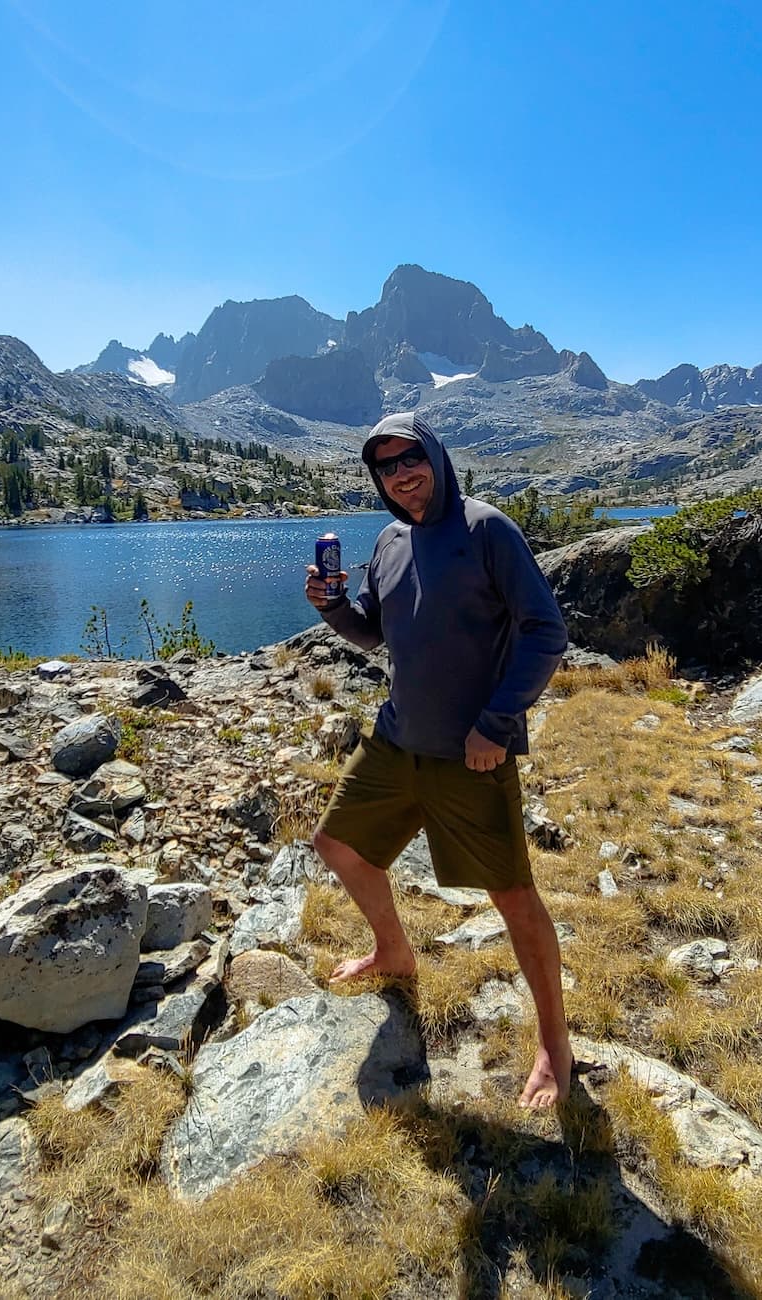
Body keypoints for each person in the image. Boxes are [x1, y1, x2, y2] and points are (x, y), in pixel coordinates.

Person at [305, 411, 572, 1108]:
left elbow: (546, 633)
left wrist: (496, 723)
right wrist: (332, 608)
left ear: (436, 459)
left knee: (512, 897)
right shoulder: (389, 543)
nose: (400, 475)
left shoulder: (487, 530)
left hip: (472, 757)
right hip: (397, 742)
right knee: (337, 844)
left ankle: (553, 1045)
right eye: (386, 467)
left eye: (409, 459)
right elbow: (370, 633)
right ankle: (393, 953)